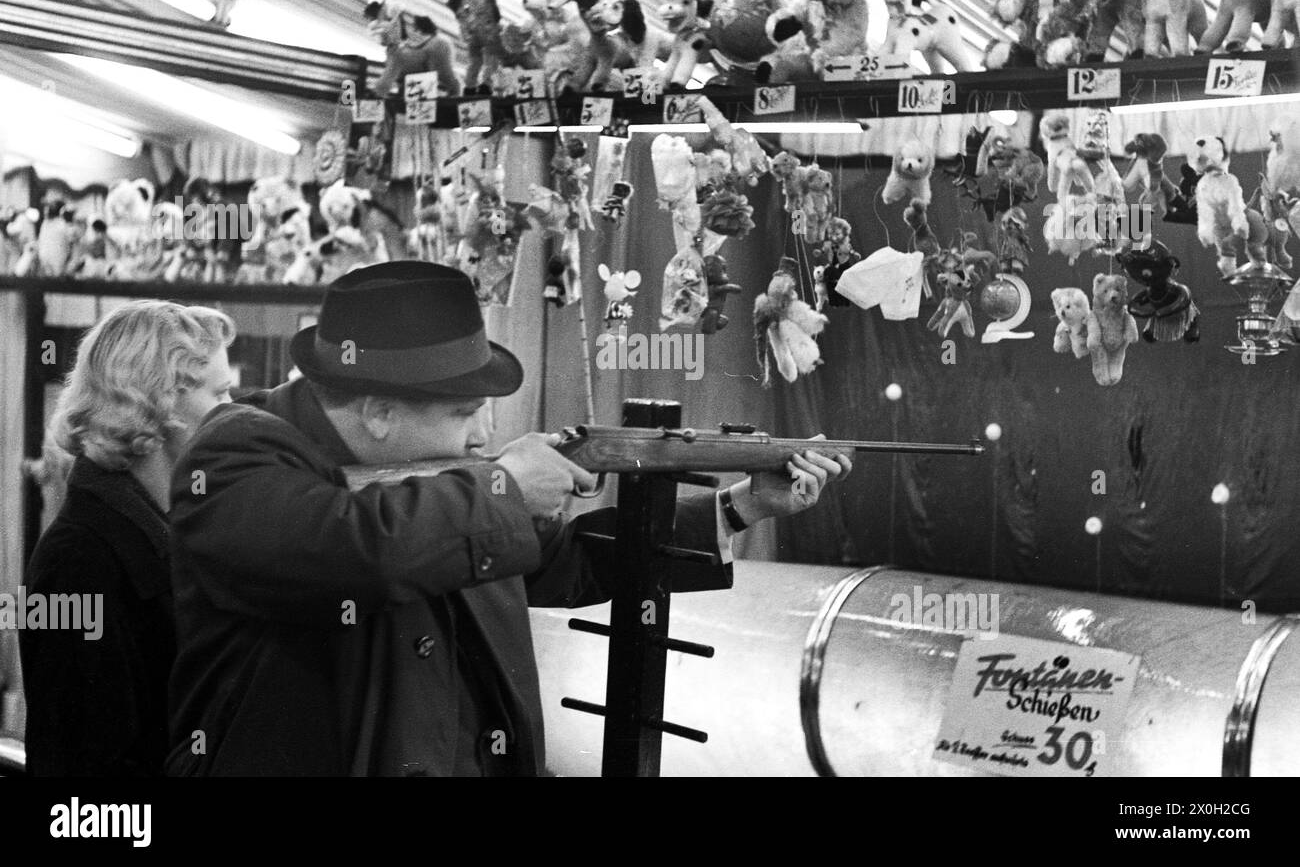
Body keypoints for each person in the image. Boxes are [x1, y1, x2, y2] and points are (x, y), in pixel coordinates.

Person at [166, 262, 849, 776]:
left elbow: (564, 563)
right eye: (464, 413)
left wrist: (743, 505)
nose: (482, 431)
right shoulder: (236, 454)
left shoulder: (448, 490)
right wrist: (502, 489)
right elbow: (350, 551)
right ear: (377, 412)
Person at [20, 300, 236, 776]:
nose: (232, 412)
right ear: (159, 402)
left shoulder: (164, 525)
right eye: (220, 394)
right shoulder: (78, 562)